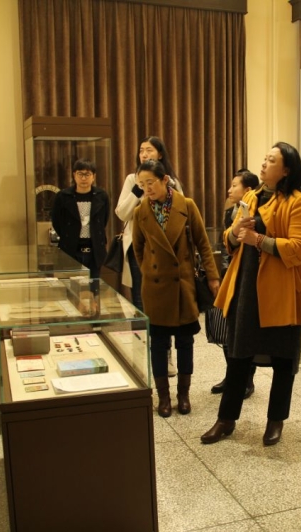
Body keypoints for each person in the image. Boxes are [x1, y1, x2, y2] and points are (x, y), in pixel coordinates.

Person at [201, 142, 301, 447]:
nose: (264, 164)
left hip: (283, 291)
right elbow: (231, 239)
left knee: (282, 358)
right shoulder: (252, 196)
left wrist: (258, 240)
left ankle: (275, 421)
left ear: (287, 169)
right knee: (238, 355)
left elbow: (300, 248)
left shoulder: (300, 202)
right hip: (247, 286)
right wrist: (235, 233)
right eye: (264, 159)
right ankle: (226, 419)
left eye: (271, 160)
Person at [132, 159, 219, 418]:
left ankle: (183, 395)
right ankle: (163, 396)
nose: (147, 189)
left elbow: (203, 244)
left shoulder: (187, 205)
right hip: (155, 287)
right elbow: (138, 248)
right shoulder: (140, 211)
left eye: (150, 182)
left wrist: (213, 277)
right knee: (158, 344)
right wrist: (149, 271)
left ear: (164, 179)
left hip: (183, 285)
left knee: (185, 342)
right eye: (142, 184)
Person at [116, 136, 184, 376]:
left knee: (165, 305)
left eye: (149, 150)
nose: (144, 154)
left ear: (160, 154)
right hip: (139, 249)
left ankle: (166, 356)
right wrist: (138, 190)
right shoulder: (131, 180)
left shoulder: (171, 181)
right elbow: (122, 213)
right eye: (141, 150)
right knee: (140, 303)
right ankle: (142, 355)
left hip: (165, 251)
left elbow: (182, 213)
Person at [209, 168, 260, 398]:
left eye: (234, 185)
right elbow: (226, 244)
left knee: (245, 332)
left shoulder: (257, 213)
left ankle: (247, 380)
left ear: (247, 189)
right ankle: (231, 377)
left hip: (247, 278)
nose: (229, 190)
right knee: (227, 330)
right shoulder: (231, 211)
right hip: (229, 275)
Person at [51, 158, 109, 279]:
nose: (83, 178)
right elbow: (56, 221)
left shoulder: (101, 196)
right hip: (71, 249)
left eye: (87, 174)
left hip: (94, 250)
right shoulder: (63, 196)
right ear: (74, 175)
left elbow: (103, 221)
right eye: (80, 174)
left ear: (93, 176)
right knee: (72, 285)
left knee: (94, 285)